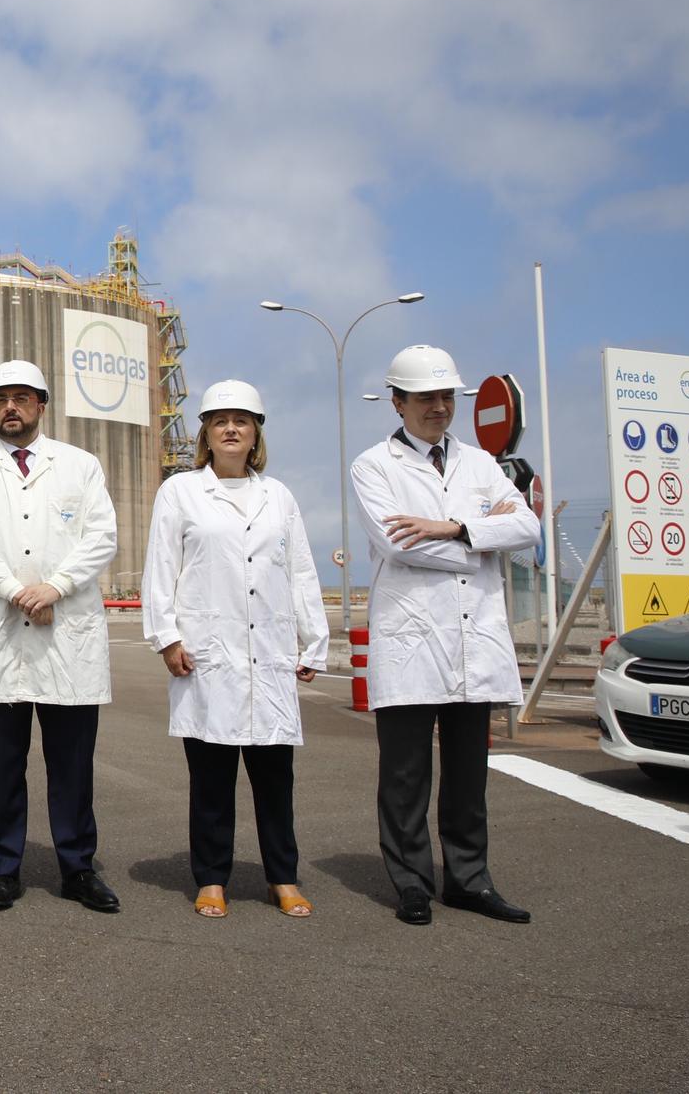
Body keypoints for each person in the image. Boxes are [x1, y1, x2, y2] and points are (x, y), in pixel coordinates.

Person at [351, 344, 538, 927]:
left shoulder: (480, 463)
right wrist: (480, 541)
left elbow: (528, 526)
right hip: (411, 638)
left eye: (445, 397)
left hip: (473, 637)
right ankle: (410, 882)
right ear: (398, 402)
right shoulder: (373, 466)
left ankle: (469, 881)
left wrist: (454, 526)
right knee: (405, 775)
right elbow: (396, 543)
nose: (439, 407)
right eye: (426, 397)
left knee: (467, 774)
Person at [0, 359, 120, 914]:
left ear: (42, 405)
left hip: (67, 635)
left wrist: (57, 586)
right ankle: (2, 869)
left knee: (72, 768)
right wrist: (19, 590)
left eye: (22, 397)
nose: (10, 407)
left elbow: (101, 536)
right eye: (0, 399)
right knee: (1, 766)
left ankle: (78, 869)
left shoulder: (80, 466)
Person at [142, 380, 328, 919]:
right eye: (219, 420)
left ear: (255, 435)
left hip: (266, 652)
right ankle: (212, 878)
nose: (230, 429)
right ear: (204, 431)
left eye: (241, 421)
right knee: (212, 779)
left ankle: (283, 877)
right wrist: (168, 637)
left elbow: (300, 570)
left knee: (275, 778)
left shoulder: (280, 497)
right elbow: (162, 568)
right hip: (207, 655)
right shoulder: (180, 493)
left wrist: (313, 640)